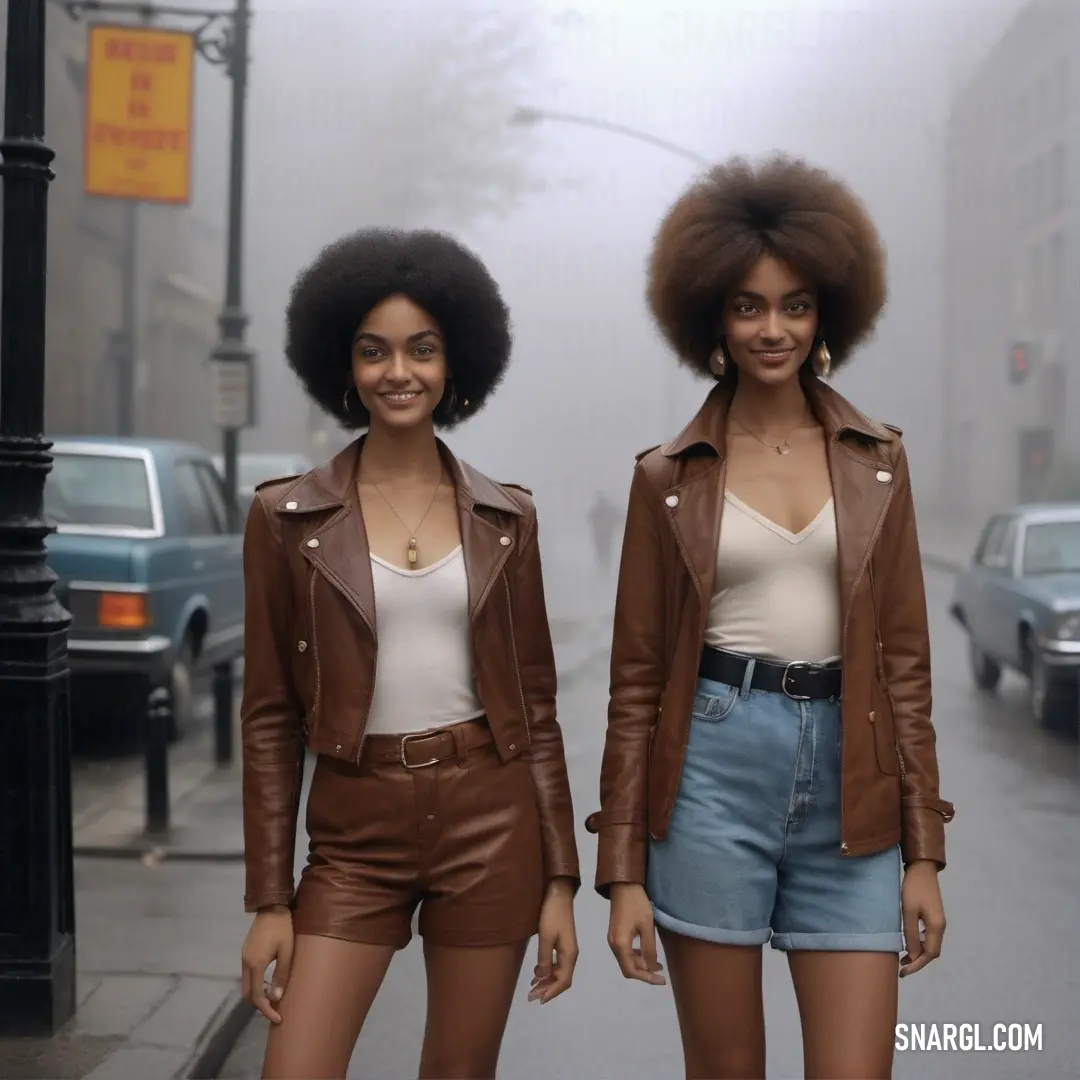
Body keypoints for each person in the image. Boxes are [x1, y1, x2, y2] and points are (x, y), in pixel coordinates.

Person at [587, 156, 955, 1080]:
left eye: (794, 304)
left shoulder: (880, 463)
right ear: (712, 314)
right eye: (748, 305)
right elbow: (635, 682)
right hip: (712, 774)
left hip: (854, 788)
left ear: (827, 309)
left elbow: (905, 666)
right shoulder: (667, 479)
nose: (772, 327)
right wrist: (621, 870)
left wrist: (924, 855)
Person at [239, 228, 580, 1080]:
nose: (400, 372)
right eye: (374, 351)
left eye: (421, 350)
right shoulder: (286, 519)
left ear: (454, 362)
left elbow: (535, 708)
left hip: (490, 822)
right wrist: (269, 899)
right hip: (354, 833)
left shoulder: (509, 518)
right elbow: (271, 717)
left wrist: (560, 882)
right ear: (344, 369)